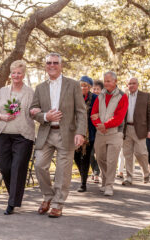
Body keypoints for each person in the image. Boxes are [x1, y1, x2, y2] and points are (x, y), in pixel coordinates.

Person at [30, 53, 87, 218]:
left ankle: (57, 204)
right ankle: (48, 197)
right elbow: (34, 111)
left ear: (61, 66)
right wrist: (46, 116)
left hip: (66, 134)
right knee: (40, 165)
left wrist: (80, 132)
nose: (52, 65)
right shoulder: (40, 87)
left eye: (55, 63)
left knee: (63, 171)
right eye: (49, 63)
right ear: (45, 66)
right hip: (46, 133)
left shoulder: (73, 85)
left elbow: (81, 111)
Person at [0, 60, 35, 215]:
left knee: (18, 167)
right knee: (4, 166)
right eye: (14, 72)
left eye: (19, 73)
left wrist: (37, 113)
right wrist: (2, 116)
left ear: (23, 75)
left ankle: (12, 203)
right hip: (2, 134)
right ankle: (14, 196)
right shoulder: (3, 91)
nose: (16, 75)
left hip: (23, 136)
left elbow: (34, 110)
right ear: (11, 74)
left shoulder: (30, 92)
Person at [91, 71, 128, 196]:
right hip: (100, 133)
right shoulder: (100, 95)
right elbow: (93, 113)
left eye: (108, 81)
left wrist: (105, 125)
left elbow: (119, 117)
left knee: (112, 160)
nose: (106, 83)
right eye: (105, 81)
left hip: (115, 133)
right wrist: (99, 125)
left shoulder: (122, 96)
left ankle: (109, 185)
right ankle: (106, 179)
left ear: (115, 81)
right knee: (101, 158)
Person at [122, 77, 150, 186]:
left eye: (133, 83)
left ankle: (145, 173)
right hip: (126, 129)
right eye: (129, 83)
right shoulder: (123, 96)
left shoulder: (145, 96)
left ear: (137, 84)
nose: (131, 85)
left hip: (140, 129)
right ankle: (129, 177)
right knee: (127, 154)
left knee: (141, 153)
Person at [74, 76, 97, 192]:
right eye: (81, 85)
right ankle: (83, 174)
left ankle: (83, 183)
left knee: (86, 157)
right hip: (75, 131)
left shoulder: (95, 98)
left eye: (86, 86)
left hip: (90, 132)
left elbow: (99, 111)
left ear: (89, 87)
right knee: (76, 156)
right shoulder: (74, 96)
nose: (83, 87)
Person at [89, 80, 104, 183]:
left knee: (99, 153)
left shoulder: (103, 100)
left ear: (101, 90)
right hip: (89, 130)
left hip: (100, 129)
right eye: (94, 88)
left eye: (97, 89)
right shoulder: (88, 99)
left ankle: (97, 172)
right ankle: (95, 170)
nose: (95, 90)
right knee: (90, 153)